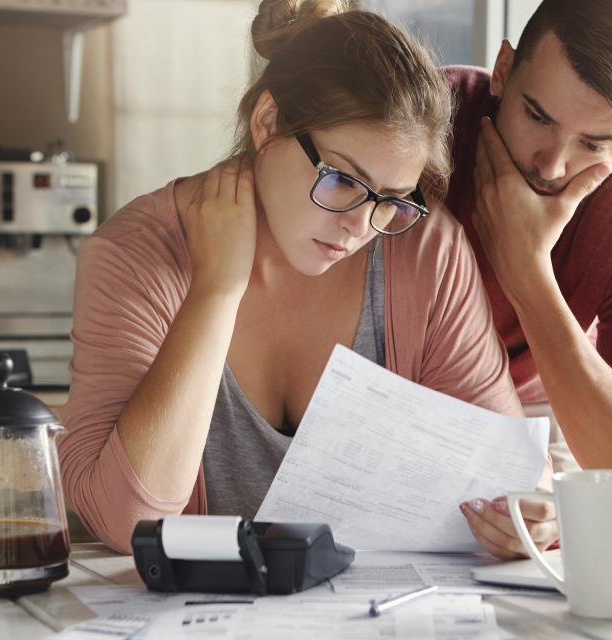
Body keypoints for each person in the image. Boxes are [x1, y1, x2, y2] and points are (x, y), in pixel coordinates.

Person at [58, 0, 556, 557]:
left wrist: (530, 516)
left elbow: (507, 475)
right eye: (342, 179)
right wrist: (216, 289)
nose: (360, 226)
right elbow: (127, 522)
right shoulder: (134, 255)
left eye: (393, 200)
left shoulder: (425, 250)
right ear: (268, 123)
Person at [450, 0, 612, 559]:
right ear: (504, 70)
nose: (552, 165)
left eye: (593, 144)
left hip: (540, 408)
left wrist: (527, 271)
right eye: (538, 116)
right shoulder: (426, 118)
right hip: (385, 385)